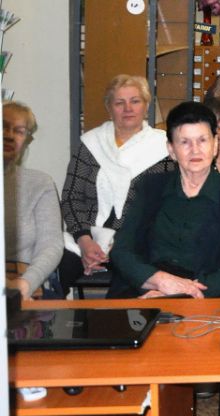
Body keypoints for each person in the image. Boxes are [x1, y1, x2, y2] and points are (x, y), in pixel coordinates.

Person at [106, 101, 220, 299]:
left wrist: (184, 294)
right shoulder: (149, 186)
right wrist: (157, 281)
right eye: (184, 142)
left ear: (215, 145)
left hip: (207, 296)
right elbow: (121, 250)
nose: (195, 150)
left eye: (202, 140)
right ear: (171, 150)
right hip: (147, 291)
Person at [59, 75, 174, 294]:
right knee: (59, 268)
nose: (128, 108)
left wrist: (120, 244)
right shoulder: (91, 144)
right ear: (109, 108)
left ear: (146, 106)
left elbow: (166, 205)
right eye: (119, 103)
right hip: (88, 237)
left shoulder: (163, 147)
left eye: (135, 101)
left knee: (132, 279)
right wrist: (85, 241)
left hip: (140, 241)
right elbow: (72, 197)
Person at [4, 101, 63, 299]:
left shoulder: (40, 183)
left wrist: (26, 284)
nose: (10, 135)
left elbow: (51, 244)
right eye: (3, 126)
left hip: (27, 284)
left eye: (19, 131)